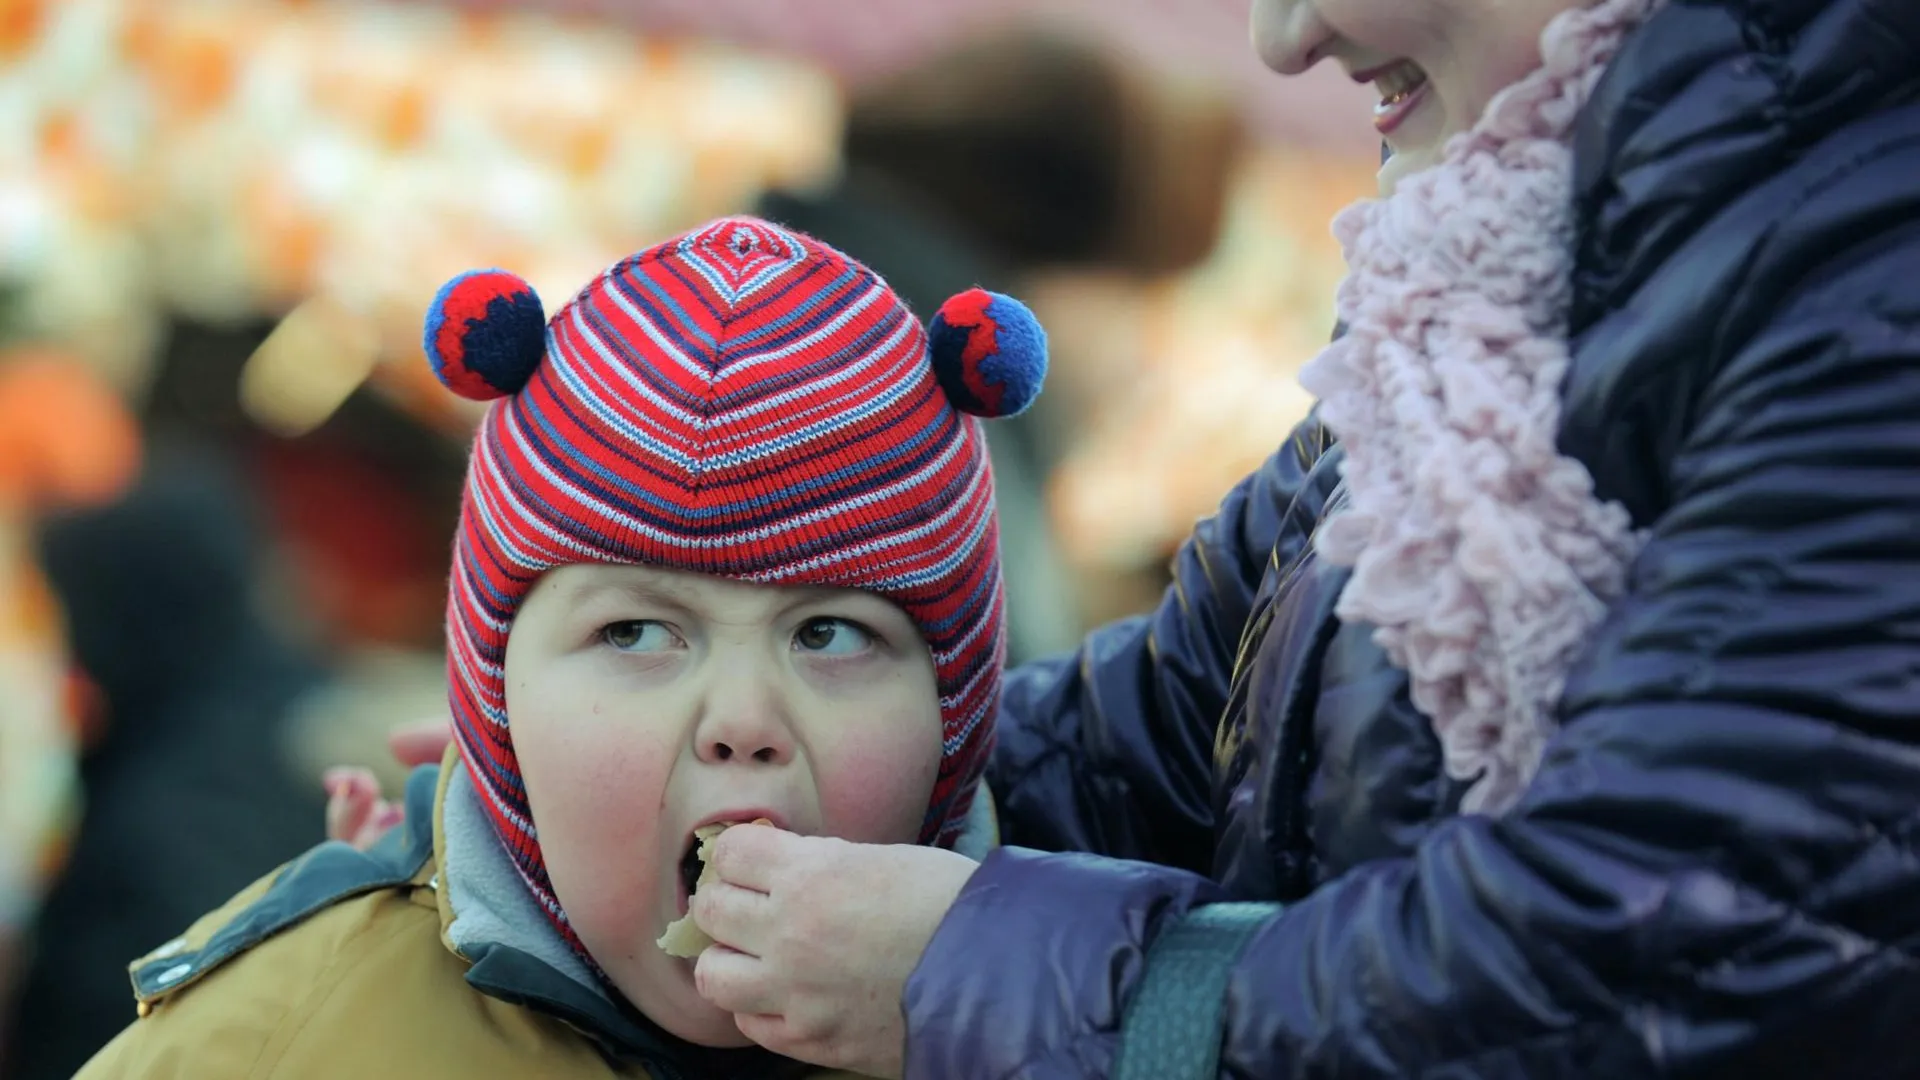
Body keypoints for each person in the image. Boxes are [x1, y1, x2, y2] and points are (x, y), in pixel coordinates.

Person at [335, 0, 1920, 1074]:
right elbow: (1168, 728)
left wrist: (974, 971)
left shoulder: (1857, 278)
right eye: (632, 626)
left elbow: (1680, 935)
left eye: (830, 624)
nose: (1283, 32)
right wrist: (585, 771)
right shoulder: (1504, 283)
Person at [74, 217, 1046, 1079]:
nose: (742, 723)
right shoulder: (265, 1047)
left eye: (831, 633)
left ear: (956, 725)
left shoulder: (1068, 1028)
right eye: (634, 632)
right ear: (498, 708)